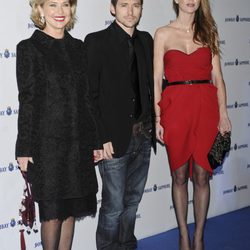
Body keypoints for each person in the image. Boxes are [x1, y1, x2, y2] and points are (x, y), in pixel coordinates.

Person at [16, 0, 103, 249]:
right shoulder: (29, 48)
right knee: (53, 214)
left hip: (77, 143)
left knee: (70, 211)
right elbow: (28, 101)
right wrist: (24, 148)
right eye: (52, 4)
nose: (60, 11)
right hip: (47, 148)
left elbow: (87, 99)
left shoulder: (79, 48)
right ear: (40, 9)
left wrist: (95, 141)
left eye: (65, 4)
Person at [154, 0, 231, 249]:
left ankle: (198, 236)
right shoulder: (163, 33)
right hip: (175, 110)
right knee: (178, 175)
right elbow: (156, 80)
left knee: (201, 176)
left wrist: (223, 113)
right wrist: (157, 118)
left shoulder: (208, 31)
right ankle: (183, 235)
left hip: (206, 110)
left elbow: (218, 77)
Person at [84, 0, 156, 249]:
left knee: (133, 201)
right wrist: (100, 138)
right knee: (113, 206)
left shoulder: (147, 40)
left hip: (144, 136)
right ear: (112, 8)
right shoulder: (96, 41)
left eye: (136, 5)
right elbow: (89, 97)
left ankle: (127, 244)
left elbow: (153, 86)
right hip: (112, 140)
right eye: (123, 4)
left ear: (141, 9)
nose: (130, 11)